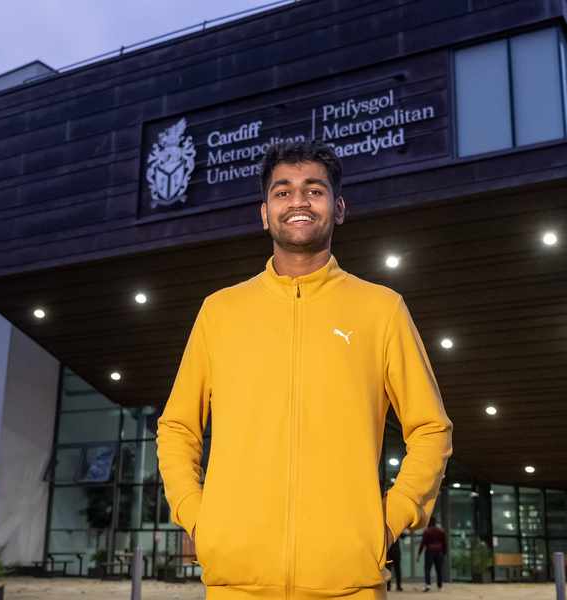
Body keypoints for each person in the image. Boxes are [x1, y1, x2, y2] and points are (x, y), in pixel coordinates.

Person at [157, 139, 453, 600]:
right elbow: (177, 426)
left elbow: (431, 429)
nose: (298, 200)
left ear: (338, 209)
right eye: (283, 191)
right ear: (264, 212)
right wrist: (198, 516)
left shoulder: (381, 310)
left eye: (314, 191)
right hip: (236, 581)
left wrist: (387, 521)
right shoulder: (220, 311)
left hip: (347, 583)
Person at [416, 516, 448, 592]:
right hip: (439, 552)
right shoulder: (441, 531)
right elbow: (444, 543)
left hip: (430, 551)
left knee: (427, 569)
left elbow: (423, 543)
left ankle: (428, 585)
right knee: (439, 569)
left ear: (429, 522)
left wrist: (419, 554)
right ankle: (440, 586)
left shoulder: (427, 531)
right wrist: (444, 553)